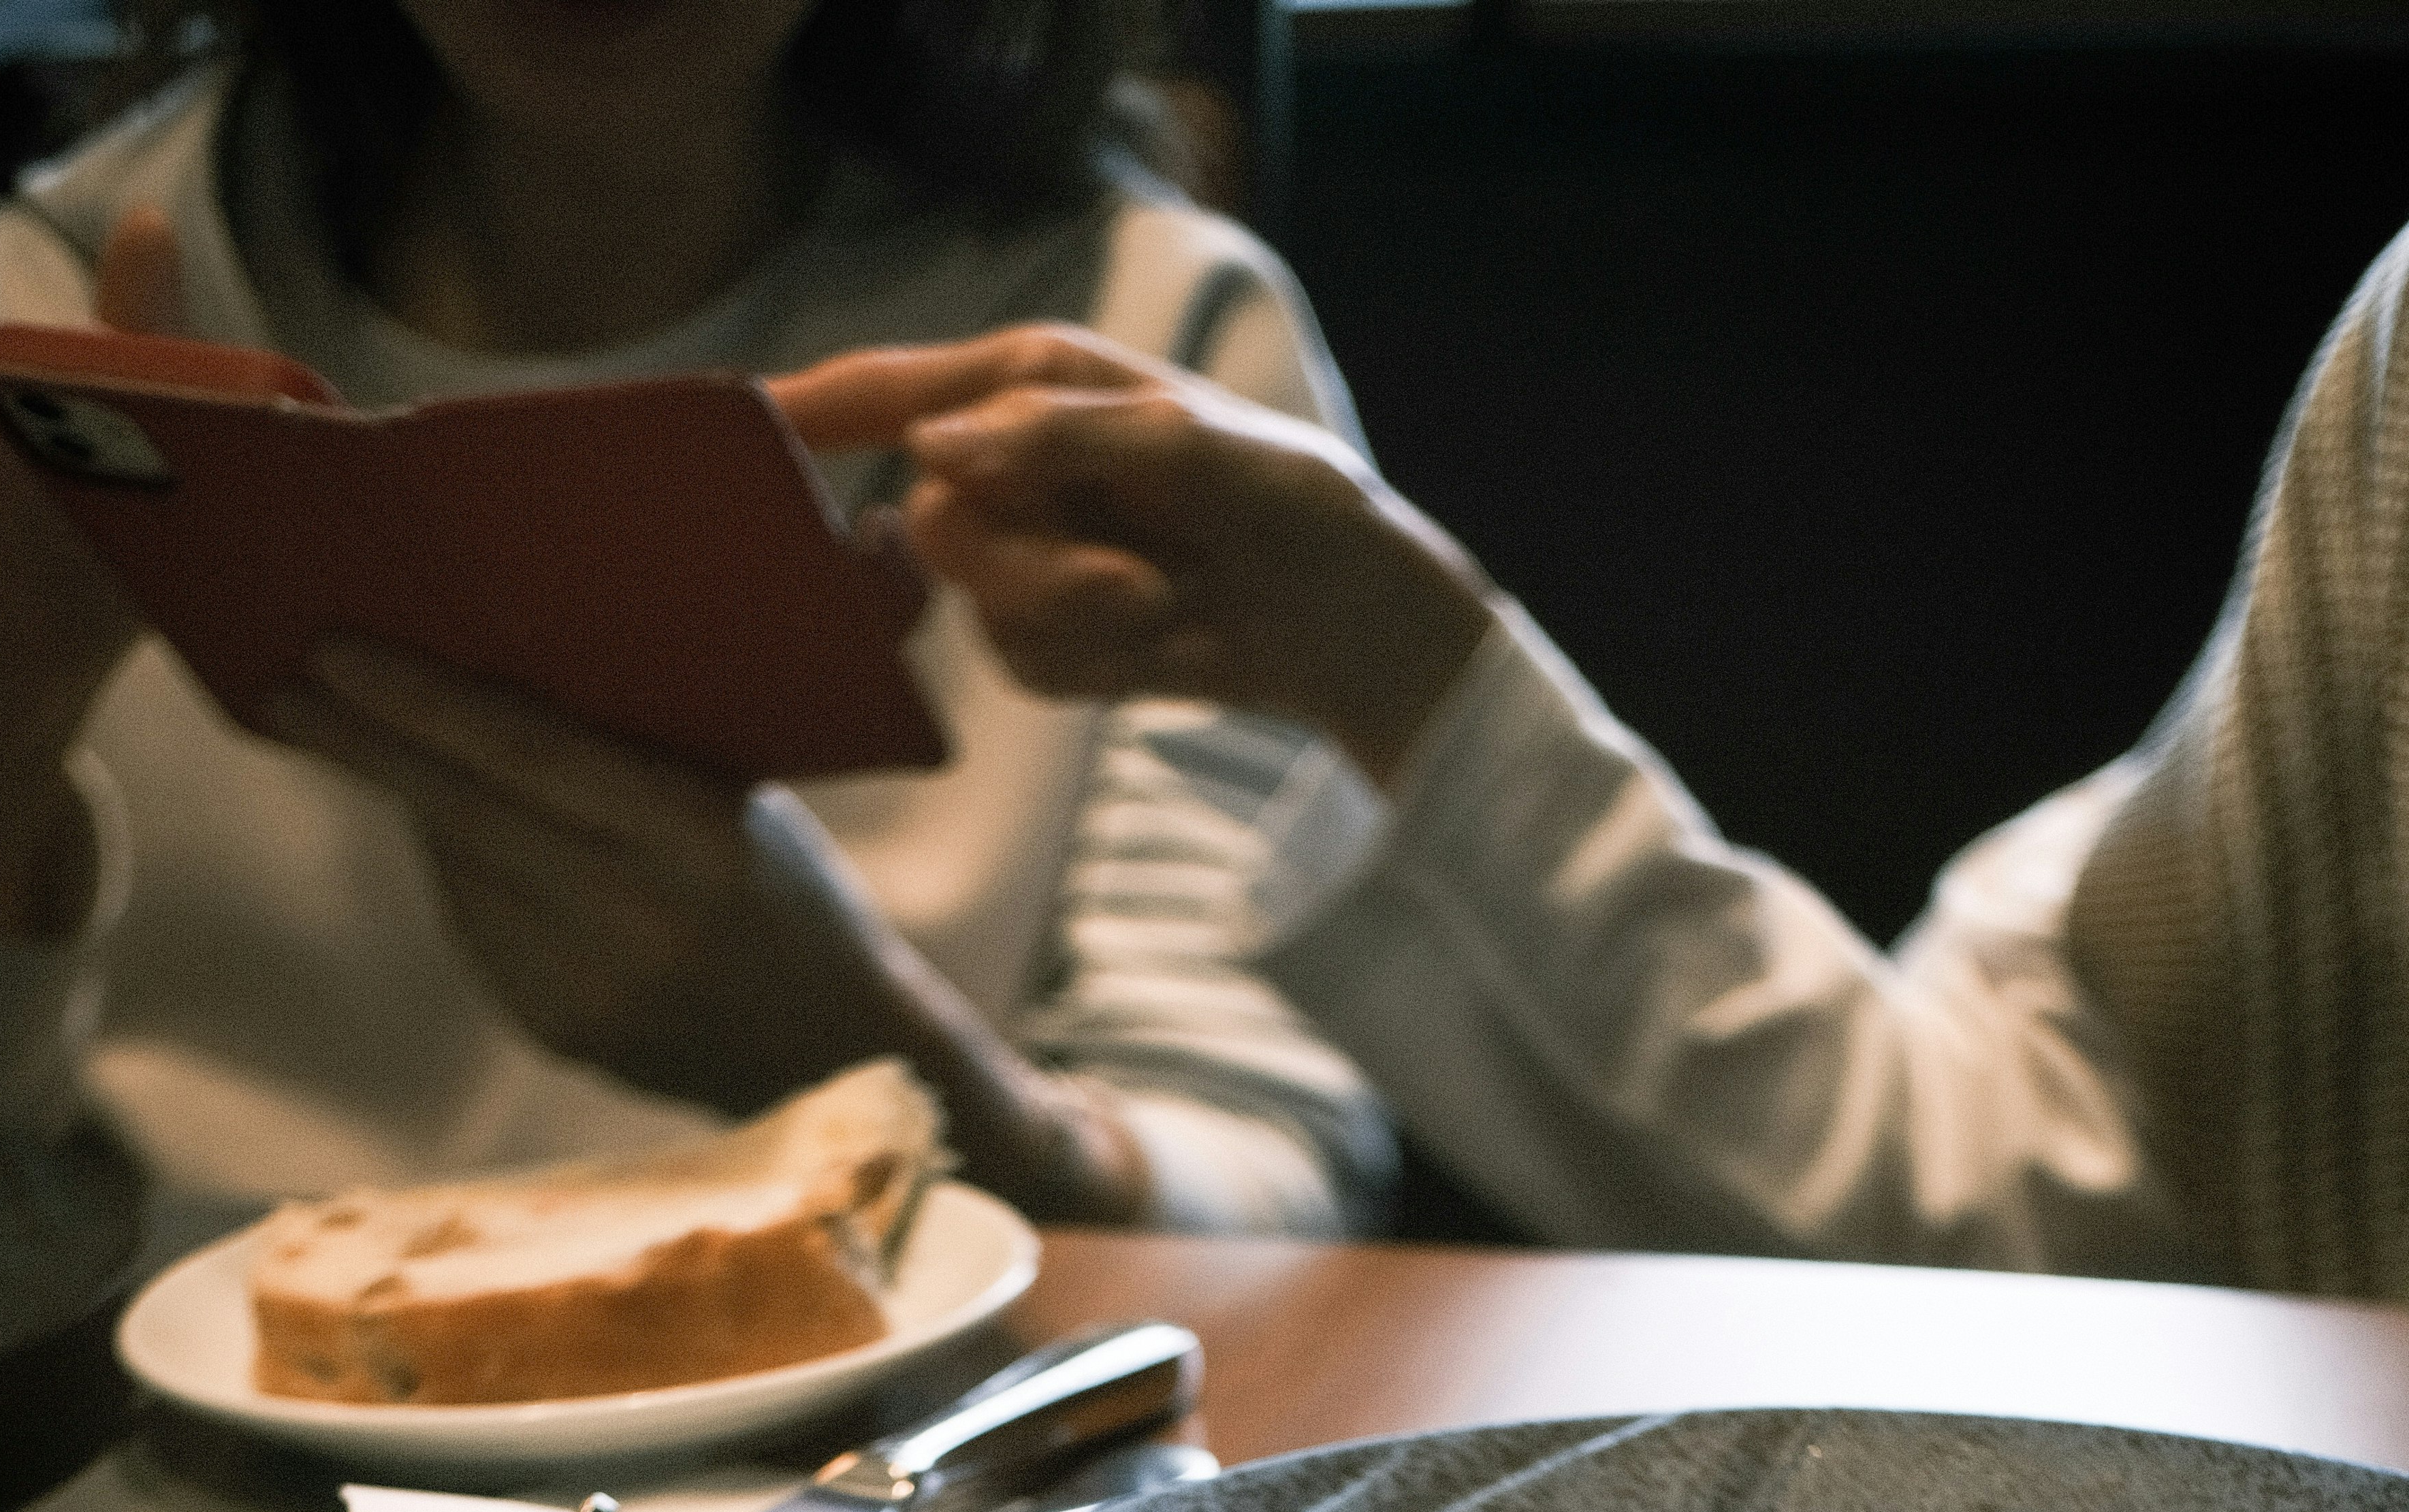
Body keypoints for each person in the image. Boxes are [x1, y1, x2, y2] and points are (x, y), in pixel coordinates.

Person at [0, 0, 1392, 1279]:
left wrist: (876, 1060)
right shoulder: (57, 321)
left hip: (907, 1507)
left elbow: (1280, 1209)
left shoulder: (1138, 338)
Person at [778, 235, 2409, 1304]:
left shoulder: (1148, 286)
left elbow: (1247, 1195)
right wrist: (1395, 666)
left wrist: (810, 1021)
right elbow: (2019, 1204)